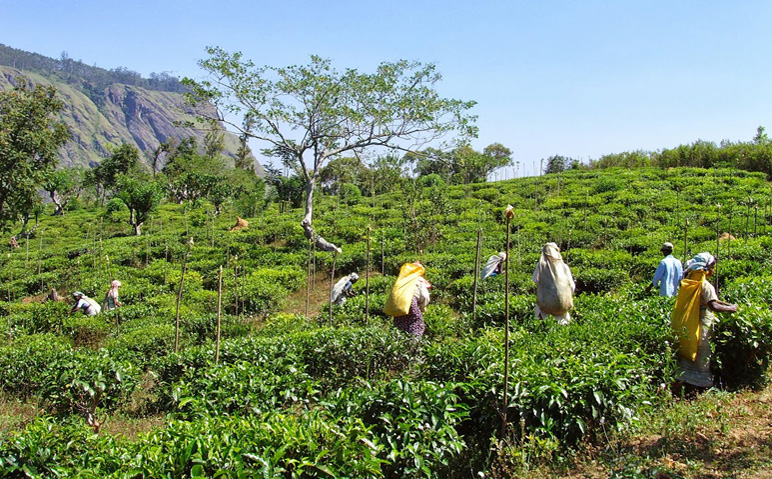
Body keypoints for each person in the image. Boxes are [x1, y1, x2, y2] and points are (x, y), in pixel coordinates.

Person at [671, 252, 737, 393]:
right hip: (702, 326)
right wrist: (732, 308)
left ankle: (684, 384)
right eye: (712, 266)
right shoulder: (705, 285)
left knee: (688, 355)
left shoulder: (689, 283)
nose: (713, 269)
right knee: (702, 355)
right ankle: (699, 388)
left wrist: (725, 303)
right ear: (706, 268)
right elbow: (713, 305)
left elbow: (714, 301)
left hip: (688, 326)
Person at [384, 262, 431, 338]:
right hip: (410, 302)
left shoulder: (403, 279)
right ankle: (413, 345)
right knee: (417, 323)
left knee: (400, 324)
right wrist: (423, 307)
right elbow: (425, 296)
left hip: (398, 304)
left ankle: (399, 343)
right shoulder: (418, 279)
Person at [533, 242, 575, 325]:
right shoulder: (564, 266)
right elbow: (572, 286)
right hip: (563, 306)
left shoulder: (541, 265)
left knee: (541, 317)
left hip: (546, 307)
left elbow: (535, 280)